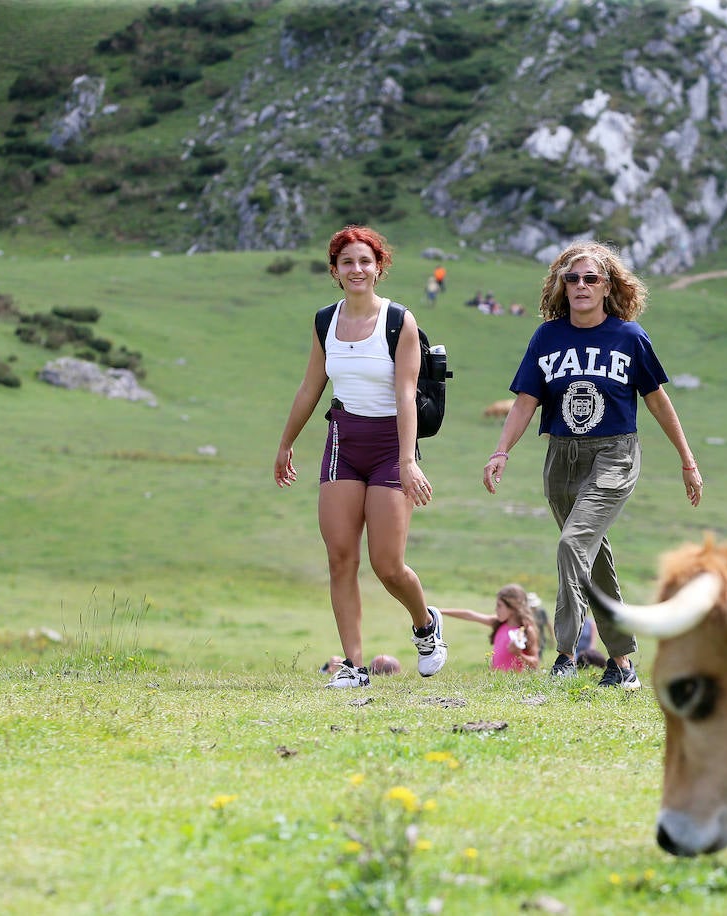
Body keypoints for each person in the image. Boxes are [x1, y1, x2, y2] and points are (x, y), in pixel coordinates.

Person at [482, 241, 703, 689]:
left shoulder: (629, 337)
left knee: (571, 545)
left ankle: (565, 653)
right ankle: (622, 664)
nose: (580, 286)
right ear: (562, 286)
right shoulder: (547, 337)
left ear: (607, 286)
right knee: (590, 554)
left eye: (590, 278)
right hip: (561, 456)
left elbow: (657, 401)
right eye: (572, 278)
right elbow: (526, 401)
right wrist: (501, 450)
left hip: (614, 454)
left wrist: (687, 460)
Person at [274, 225, 448, 689]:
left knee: (387, 564)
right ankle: (353, 666)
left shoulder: (399, 322)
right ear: (334, 270)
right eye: (347, 262)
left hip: (392, 445)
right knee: (340, 557)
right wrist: (286, 442)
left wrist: (409, 461)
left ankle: (426, 626)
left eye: (365, 261)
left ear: (379, 268)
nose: (357, 269)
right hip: (343, 443)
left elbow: (407, 394)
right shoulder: (323, 321)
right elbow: (312, 386)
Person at [440, 584, 542, 672]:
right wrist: (440, 611)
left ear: (513, 607)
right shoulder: (499, 622)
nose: (496, 609)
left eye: (499, 606)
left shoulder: (527, 630)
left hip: (515, 686)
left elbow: (535, 663)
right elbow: (470, 615)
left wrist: (519, 655)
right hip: (496, 682)